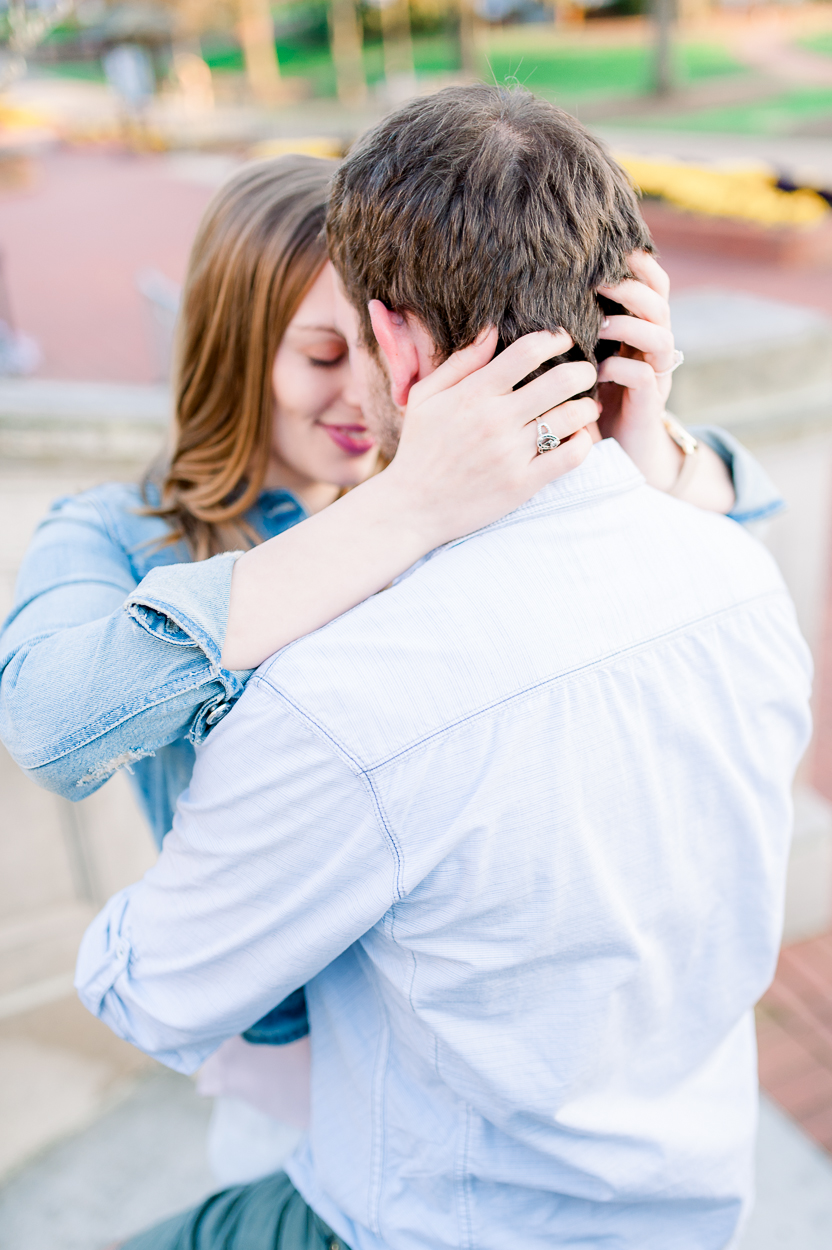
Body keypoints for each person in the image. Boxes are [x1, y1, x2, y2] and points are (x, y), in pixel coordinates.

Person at [75, 84, 810, 1250]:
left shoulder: (344, 692)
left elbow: (149, 993)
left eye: (348, 339)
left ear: (402, 346)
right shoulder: (738, 582)